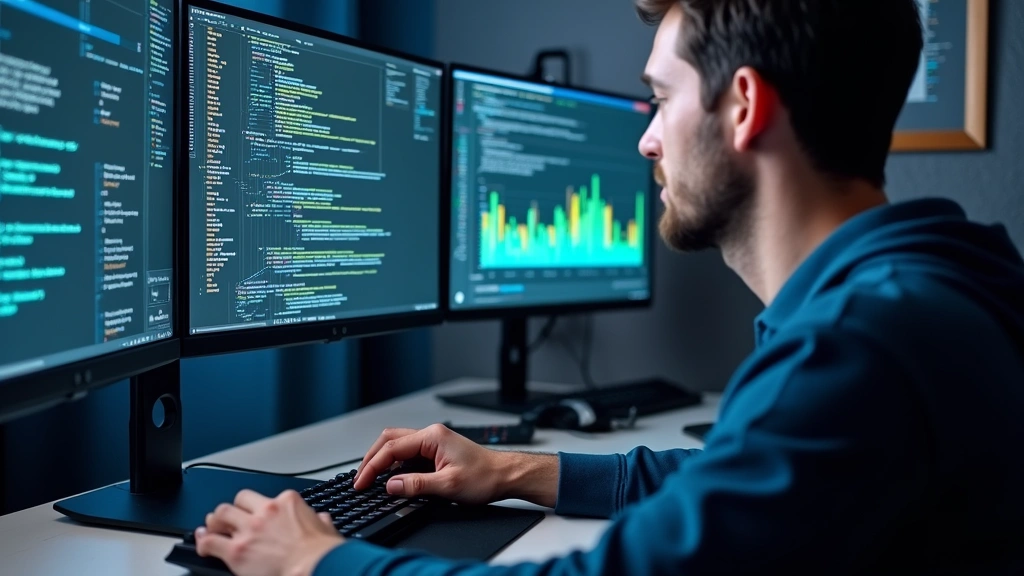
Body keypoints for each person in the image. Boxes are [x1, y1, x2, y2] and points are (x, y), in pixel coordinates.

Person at [193, 1, 1024, 574]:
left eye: (660, 99)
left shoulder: (860, 348)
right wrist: (512, 471)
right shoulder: (929, 283)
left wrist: (317, 561)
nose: (648, 142)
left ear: (743, 107)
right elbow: (733, 488)